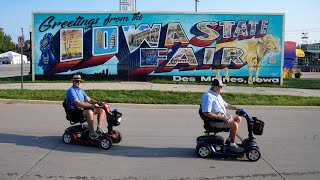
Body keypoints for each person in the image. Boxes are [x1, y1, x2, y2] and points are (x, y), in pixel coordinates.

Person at [201, 78, 244, 153]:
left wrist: (237, 108)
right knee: (234, 125)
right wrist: (221, 118)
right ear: (214, 87)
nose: (222, 88)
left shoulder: (217, 95)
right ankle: (232, 145)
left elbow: (226, 105)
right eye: (220, 86)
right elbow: (206, 113)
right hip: (214, 121)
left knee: (238, 118)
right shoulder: (208, 96)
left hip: (222, 118)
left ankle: (230, 140)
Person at [66, 74, 105, 139]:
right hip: (74, 112)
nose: (78, 83)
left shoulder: (81, 90)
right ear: (73, 81)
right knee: (89, 112)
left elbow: (89, 100)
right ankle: (92, 133)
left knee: (101, 110)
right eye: (76, 81)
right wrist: (92, 106)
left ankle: (98, 130)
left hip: (82, 110)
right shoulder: (71, 91)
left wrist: (97, 103)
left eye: (80, 81)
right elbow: (79, 104)